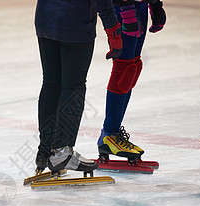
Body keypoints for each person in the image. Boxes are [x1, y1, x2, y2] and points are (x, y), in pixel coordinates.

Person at [34, 0, 123, 175]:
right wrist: (112, 27)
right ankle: (61, 151)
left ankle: (46, 151)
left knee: (51, 84)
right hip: (75, 23)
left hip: (45, 19)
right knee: (73, 86)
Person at [97, 0, 166, 162]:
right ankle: (109, 133)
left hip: (139, 6)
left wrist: (155, 4)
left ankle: (113, 132)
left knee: (133, 67)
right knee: (123, 69)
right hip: (122, 8)